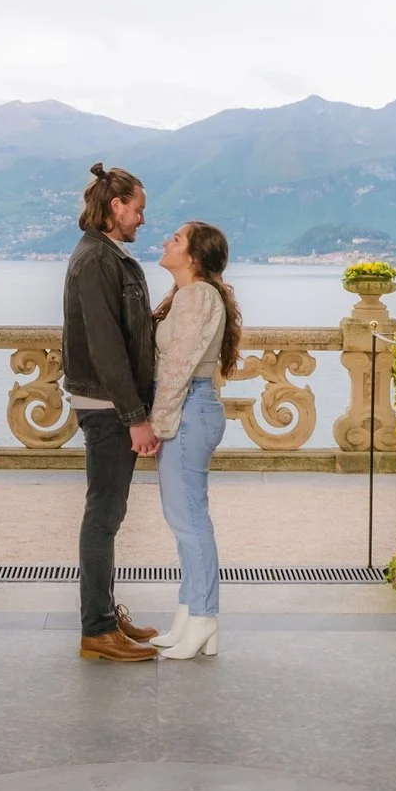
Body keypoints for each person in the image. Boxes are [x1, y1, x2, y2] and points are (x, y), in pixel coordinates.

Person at [62, 162, 163, 661]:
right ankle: (97, 630)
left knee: (108, 512)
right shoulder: (98, 260)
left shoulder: (105, 257)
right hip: (107, 405)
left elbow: (122, 330)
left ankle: (104, 616)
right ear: (116, 206)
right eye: (138, 209)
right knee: (103, 515)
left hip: (106, 401)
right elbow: (105, 347)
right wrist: (136, 416)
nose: (143, 219)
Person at [145, 219, 239, 659]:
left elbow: (178, 368)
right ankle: (190, 614)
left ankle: (203, 616)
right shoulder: (188, 296)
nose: (167, 241)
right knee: (185, 519)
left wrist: (157, 425)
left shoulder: (199, 295)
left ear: (195, 256)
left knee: (190, 520)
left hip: (188, 410)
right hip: (190, 408)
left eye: (177, 239)